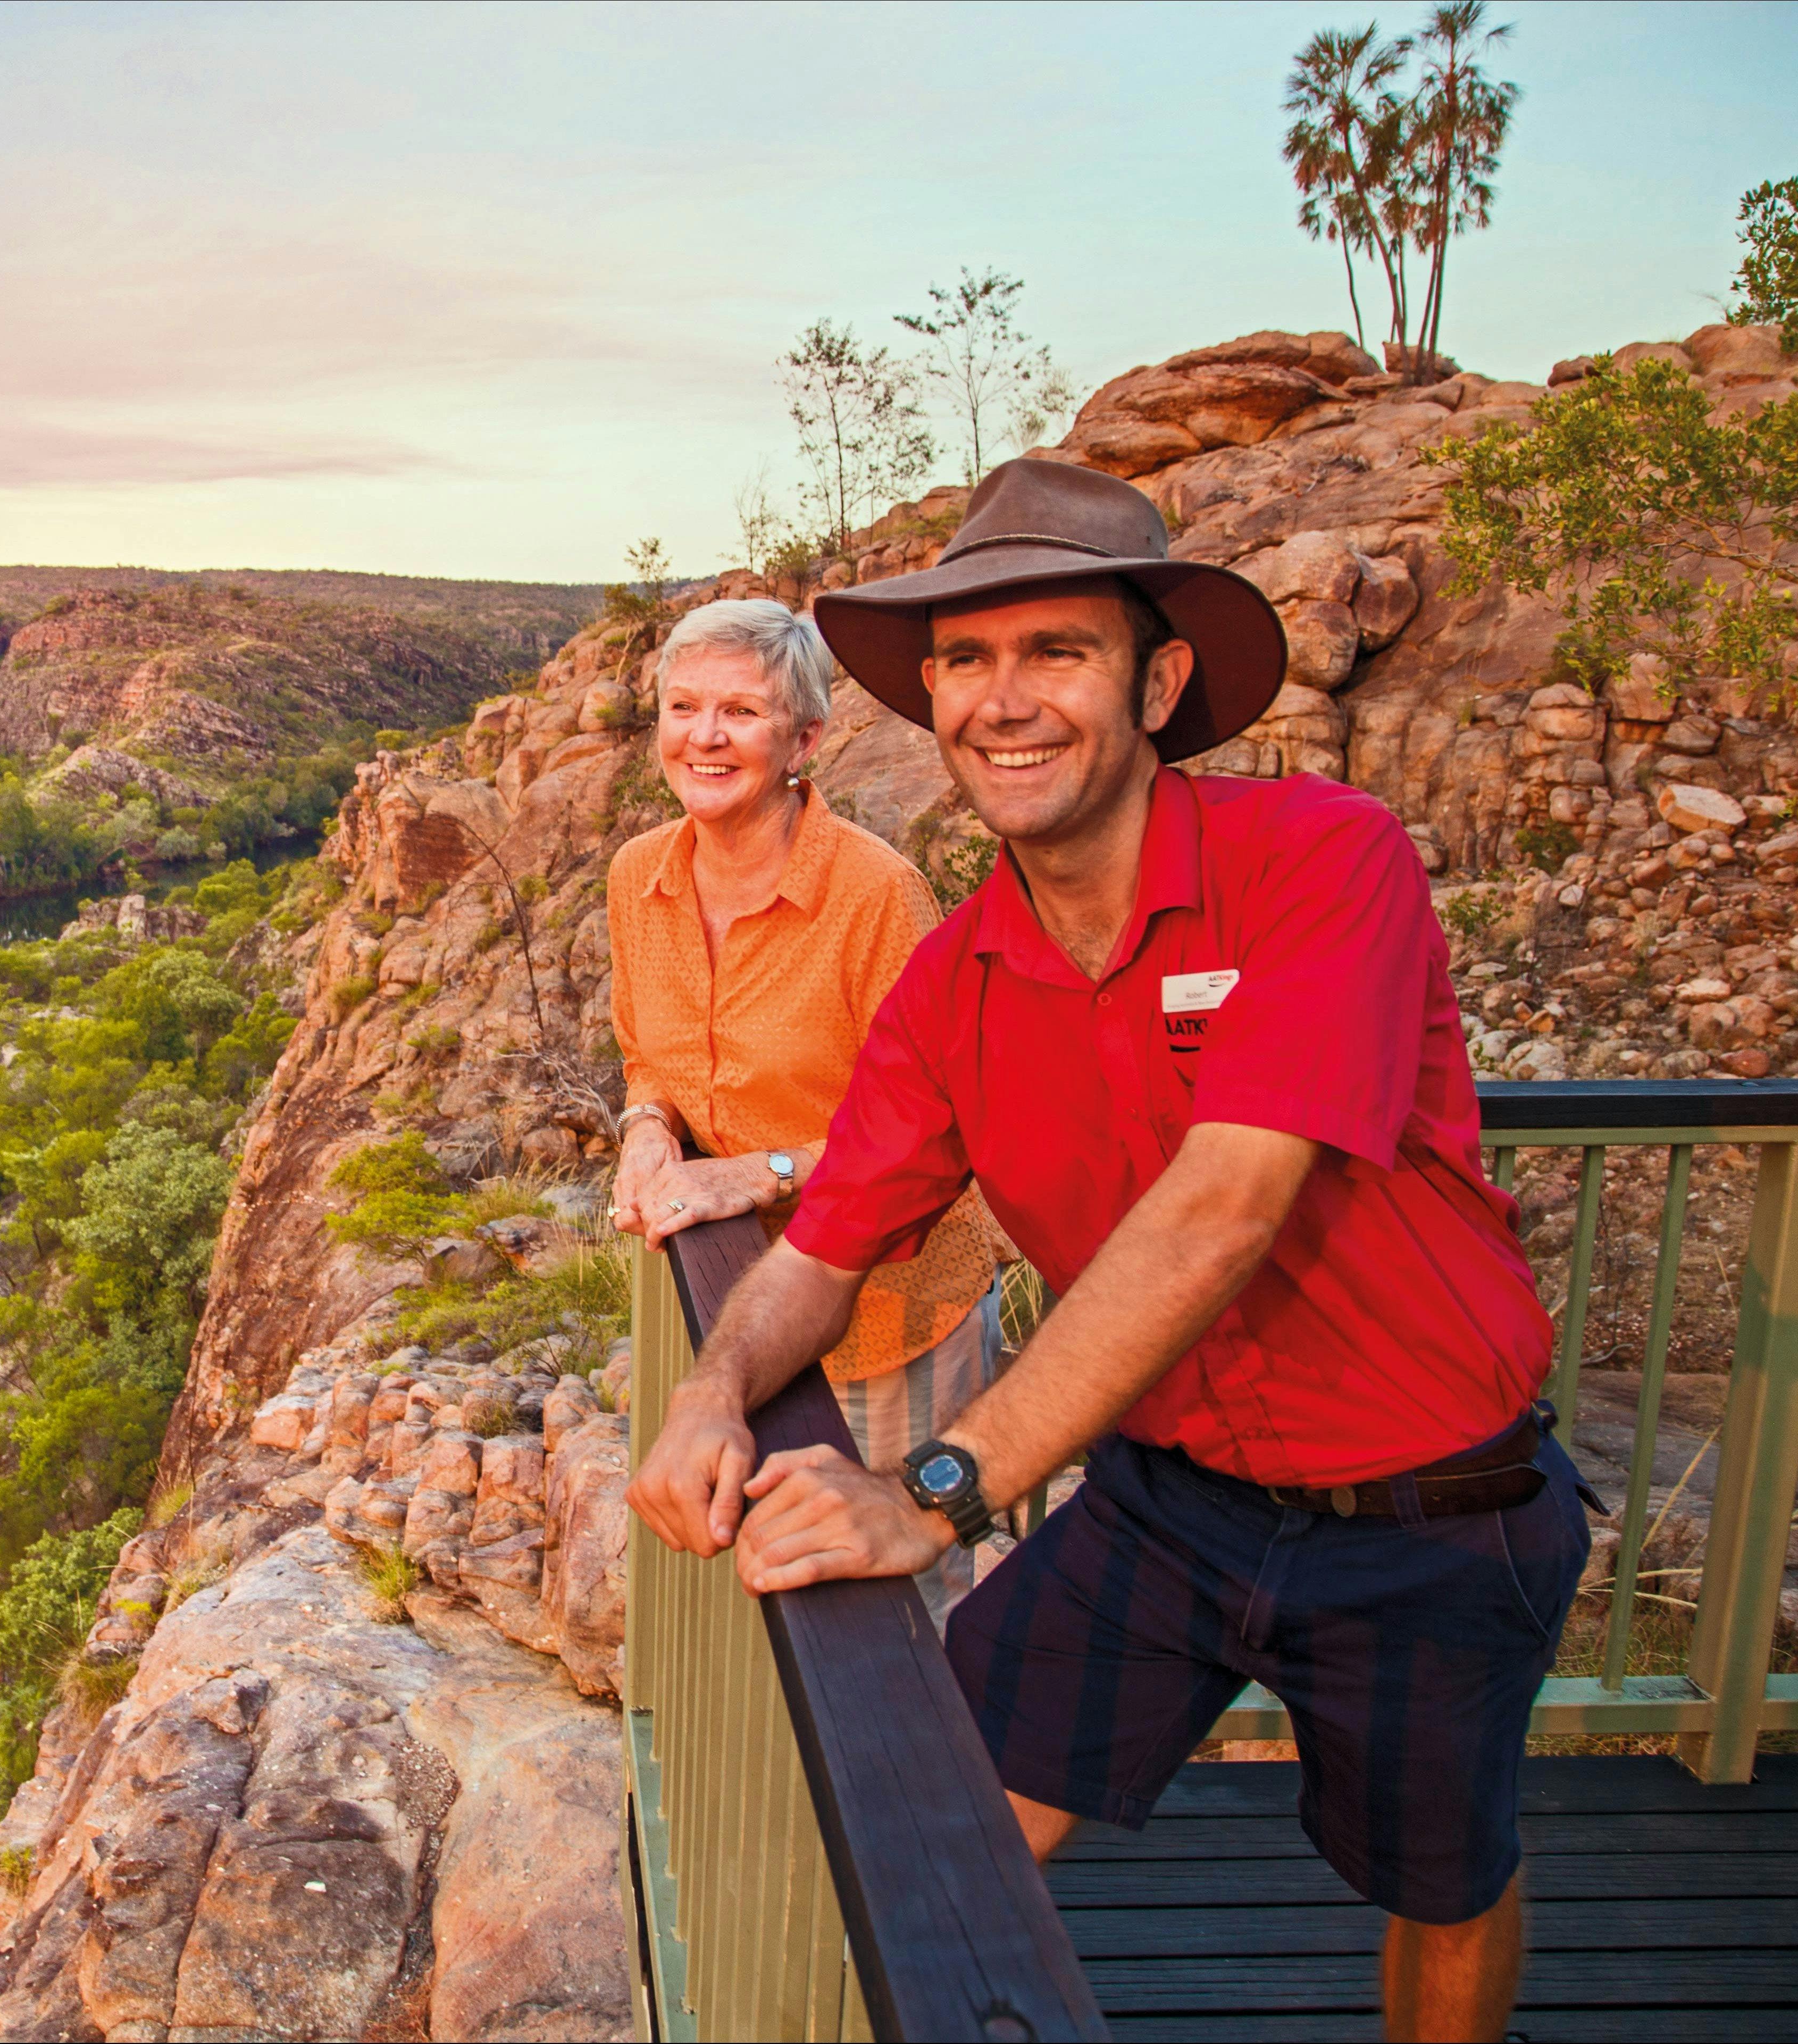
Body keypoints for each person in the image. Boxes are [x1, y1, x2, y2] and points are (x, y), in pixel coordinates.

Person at [626, 460, 1587, 2044]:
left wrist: (933, 1490)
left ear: (1157, 681)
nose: (1005, 702)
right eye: (965, 661)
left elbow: (1225, 1206)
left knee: (1445, 1882)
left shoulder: (1321, 861)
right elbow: (829, 1237)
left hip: (1436, 1506)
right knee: (941, 1819)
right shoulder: (958, 982)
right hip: (1169, 1498)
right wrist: (715, 1385)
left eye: (1055, 651)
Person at [606, 596, 1008, 1613]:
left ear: (806, 739)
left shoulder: (876, 897)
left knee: (905, 1598)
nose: (705, 736)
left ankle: (931, 1775)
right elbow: (645, 1057)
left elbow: (945, 1130)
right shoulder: (638, 877)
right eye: (684, 707)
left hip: (891, 1308)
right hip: (745, 1311)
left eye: (740, 712)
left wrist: (758, 1173)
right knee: (773, 1560)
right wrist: (648, 1132)